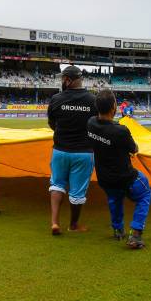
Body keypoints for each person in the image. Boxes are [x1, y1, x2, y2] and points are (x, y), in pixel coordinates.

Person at [87, 89, 151, 249]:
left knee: (114, 199)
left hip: (105, 178)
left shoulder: (91, 124)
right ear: (114, 108)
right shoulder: (120, 131)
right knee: (144, 193)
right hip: (126, 178)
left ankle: (118, 230)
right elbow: (134, 149)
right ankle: (135, 234)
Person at [47, 65, 97, 235]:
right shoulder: (93, 100)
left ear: (68, 80)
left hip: (60, 150)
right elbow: (99, 125)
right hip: (84, 153)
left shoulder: (56, 99)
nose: (62, 81)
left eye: (63, 78)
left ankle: (54, 222)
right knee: (77, 192)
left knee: (57, 184)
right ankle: (73, 225)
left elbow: (52, 124)